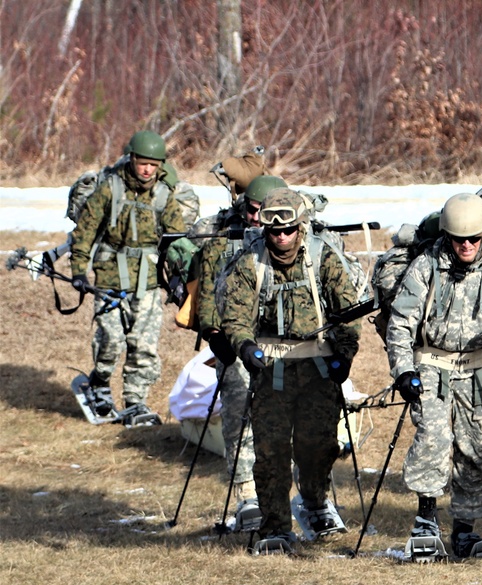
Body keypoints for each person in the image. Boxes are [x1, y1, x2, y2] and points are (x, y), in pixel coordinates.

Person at [386, 193, 482, 559]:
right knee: (433, 441)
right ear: (448, 237)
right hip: (433, 367)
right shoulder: (426, 267)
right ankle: (426, 520)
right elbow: (401, 324)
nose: (467, 246)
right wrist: (404, 370)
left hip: (479, 368)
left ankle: (465, 531)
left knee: (478, 446)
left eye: (474, 239)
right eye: (460, 240)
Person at [221, 187, 361, 554]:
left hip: (318, 369)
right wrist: (245, 347)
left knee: (318, 447)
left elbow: (348, 313)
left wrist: (344, 356)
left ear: (301, 227)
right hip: (270, 371)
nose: (281, 237)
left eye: (288, 230)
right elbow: (235, 316)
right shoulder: (250, 263)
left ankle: (315, 500)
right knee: (271, 453)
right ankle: (276, 526)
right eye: (274, 232)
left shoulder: (324, 258)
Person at [70, 130, 198, 425]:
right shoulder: (111, 189)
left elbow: (177, 240)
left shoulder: (164, 195)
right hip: (109, 277)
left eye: (153, 165)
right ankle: (100, 384)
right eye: (142, 163)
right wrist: (78, 270)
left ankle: (135, 402)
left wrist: (182, 280)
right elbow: (86, 230)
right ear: (132, 159)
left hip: (149, 281)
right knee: (111, 340)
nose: (147, 170)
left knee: (144, 346)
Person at [198, 174, 285, 532]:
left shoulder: (287, 242)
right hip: (236, 345)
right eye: (252, 211)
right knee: (240, 415)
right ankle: (246, 493)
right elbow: (207, 302)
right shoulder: (223, 244)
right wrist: (218, 336)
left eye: (266, 212)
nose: (257, 219)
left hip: (282, 345)